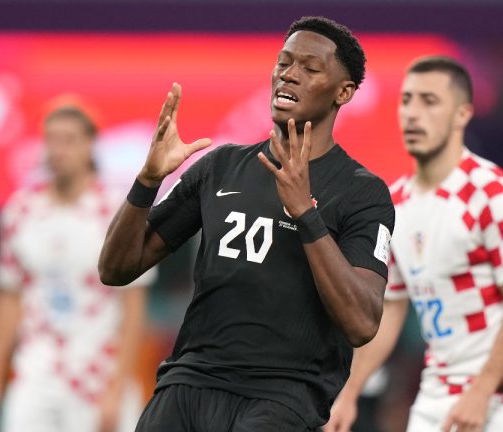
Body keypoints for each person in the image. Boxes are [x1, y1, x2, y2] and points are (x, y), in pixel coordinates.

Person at [98, 16, 395, 431]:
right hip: (190, 380)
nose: (289, 75)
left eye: (310, 69)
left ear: (343, 92)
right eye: (284, 62)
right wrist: (147, 182)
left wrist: (306, 215)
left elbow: (362, 323)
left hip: (284, 395)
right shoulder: (220, 166)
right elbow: (115, 269)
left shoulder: (362, 192)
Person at [324, 56, 503, 432]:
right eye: (407, 100)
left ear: (462, 114)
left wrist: (481, 392)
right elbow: (390, 311)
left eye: (429, 102)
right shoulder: (393, 203)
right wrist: (348, 393)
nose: (413, 114)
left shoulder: (495, 195)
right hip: (438, 394)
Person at [0, 105, 154, 432]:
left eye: (69, 140)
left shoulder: (117, 212)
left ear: (90, 146)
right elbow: (9, 296)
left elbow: (134, 305)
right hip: (36, 373)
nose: (58, 150)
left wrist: (118, 387)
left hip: (98, 372)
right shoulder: (22, 210)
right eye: (51, 140)